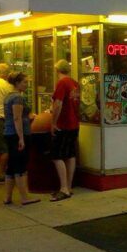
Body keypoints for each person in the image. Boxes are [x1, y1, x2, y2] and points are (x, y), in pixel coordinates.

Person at [3, 72, 39, 206]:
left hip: (8, 132)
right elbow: (16, 118)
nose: (26, 84)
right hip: (17, 134)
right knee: (20, 165)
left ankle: (7, 196)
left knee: (11, 166)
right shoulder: (17, 98)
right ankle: (24, 197)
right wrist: (21, 138)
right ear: (17, 83)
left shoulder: (8, 97)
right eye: (24, 82)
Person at [49, 60, 81, 201]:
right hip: (74, 123)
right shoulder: (74, 83)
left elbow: (58, 103)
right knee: (70, 155)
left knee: (57, 155)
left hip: (64, 123)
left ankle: (63, 188)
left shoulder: (61, 83)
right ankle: (68, 186)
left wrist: (53, 122)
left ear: (57, 71)